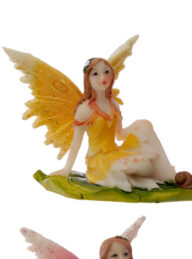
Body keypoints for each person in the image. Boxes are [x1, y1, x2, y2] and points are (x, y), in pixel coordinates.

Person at [52, 57, 179, 191]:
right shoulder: (85, 109)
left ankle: (167, 176)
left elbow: (119, 134)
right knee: (136, 164)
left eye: (106, 72)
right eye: (95, 74)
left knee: (144, 163)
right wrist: (67, 169)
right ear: (87, 78)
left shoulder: (114, 105)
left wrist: (140, 127)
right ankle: (128, 179)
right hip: (98, 160)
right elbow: (76, 143)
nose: (103, 77)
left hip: (115, 152)